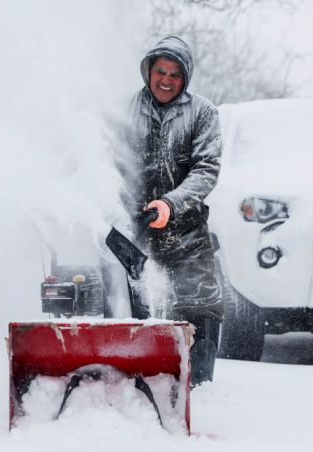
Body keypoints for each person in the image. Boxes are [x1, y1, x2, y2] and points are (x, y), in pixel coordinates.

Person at [122, 36, 223, 387]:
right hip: (134, 232)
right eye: (160, 71)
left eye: (175, 74)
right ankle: (135, 382)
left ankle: (198, 386)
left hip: (187, 231)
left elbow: (206, 170)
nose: (166, 80)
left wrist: (170, 203)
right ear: (148, 71)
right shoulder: (124, 111)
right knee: (134, 307)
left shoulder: (203, 113)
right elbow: (109, 162)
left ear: (186, 77)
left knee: (199, 306)